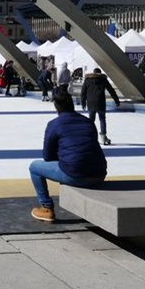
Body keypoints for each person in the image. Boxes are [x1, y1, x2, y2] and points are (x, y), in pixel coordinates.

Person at [28, 92, 107, 222]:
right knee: (72, 161)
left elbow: (47, 156)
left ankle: (46, 207)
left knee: (34, 167)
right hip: (99, 173)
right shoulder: (87, 122)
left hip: (75, 174)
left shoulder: (55, 124)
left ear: (56, 107)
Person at [80, 68, 121, 146]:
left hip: (91, 103)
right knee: (102, 119)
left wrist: (83, 103)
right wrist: (116, 100)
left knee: (91, 120)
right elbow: (111, 90)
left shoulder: (87, 80)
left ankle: (90, 136)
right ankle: (103, 137)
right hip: (100, 102)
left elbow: (83, 92)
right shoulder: (103, 80)